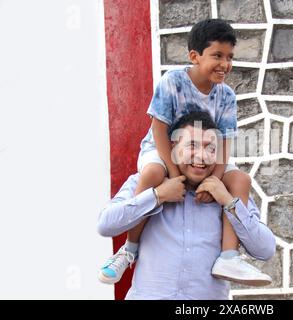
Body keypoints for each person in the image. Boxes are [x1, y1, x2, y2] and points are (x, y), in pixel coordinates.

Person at [98, 19, 270, 284]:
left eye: (229, 57)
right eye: (217, 56)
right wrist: (175, 175)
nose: (225, 64)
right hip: (163, 149)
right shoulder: (174, 81)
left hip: (207, 155)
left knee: (240, 180)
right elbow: (159, 129)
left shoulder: (226, 96)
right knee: (154, 172)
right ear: (194, 56)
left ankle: (228, 257)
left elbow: (224, 143)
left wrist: (215, 180)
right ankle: (130, 249)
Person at [97, 111, 276, 299]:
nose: (202, 156)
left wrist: (228, 202)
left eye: (211, 148)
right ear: (173, 147)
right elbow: (105, 224)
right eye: (192, 145)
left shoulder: (229, 191)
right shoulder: (147, 181)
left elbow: (265, 250)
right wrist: (157, 196)